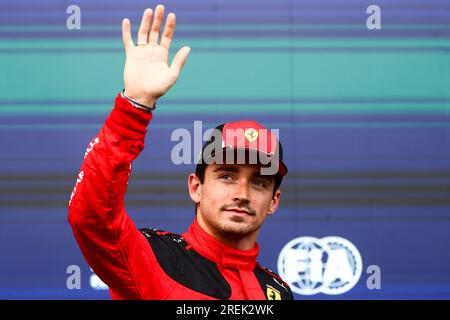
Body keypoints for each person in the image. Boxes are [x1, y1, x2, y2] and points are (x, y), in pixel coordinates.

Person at [68, 4, 293, 300]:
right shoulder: (154, 258)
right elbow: (93, 217)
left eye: (258, 182)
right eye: (226, 176)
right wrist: (135, 104)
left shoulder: (277, 290)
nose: (242, 193)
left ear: (274, 201)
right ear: (196, 187)